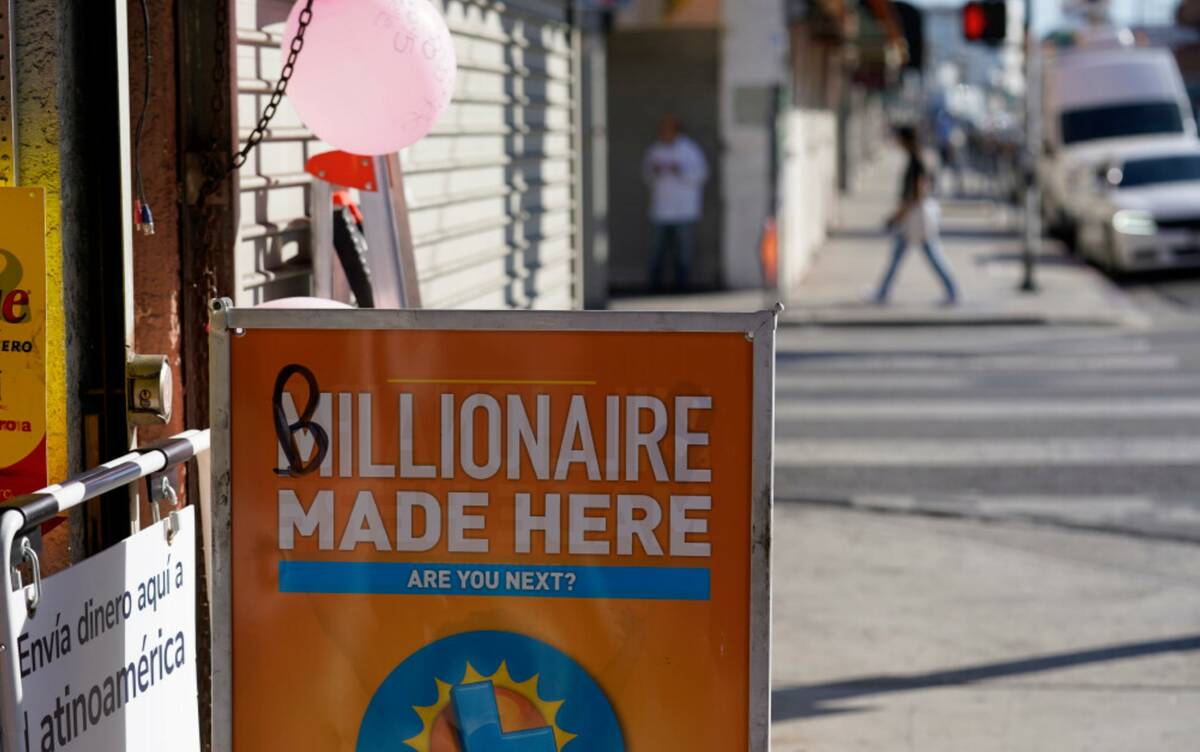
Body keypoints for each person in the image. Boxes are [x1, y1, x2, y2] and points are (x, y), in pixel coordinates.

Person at [874, 125, 960, 305]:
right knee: (902, 257)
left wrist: (898, 215)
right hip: (913, 218)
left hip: (914, 219)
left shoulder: (916, 161)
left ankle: (953, 290)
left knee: (930, 255)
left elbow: (917, 194)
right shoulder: (916, 159)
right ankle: (882, 292)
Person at [643, 115, 709, 292]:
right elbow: (646, 175)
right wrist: (655, 171)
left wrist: (681, 171)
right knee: (657, 251)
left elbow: (701, 175)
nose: (664, 133)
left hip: (684, 210)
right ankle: (654, 287)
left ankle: (682, 287)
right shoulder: (655, 149)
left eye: (668, 130)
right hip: (661, 210)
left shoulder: (689, 149)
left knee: (684, 252)